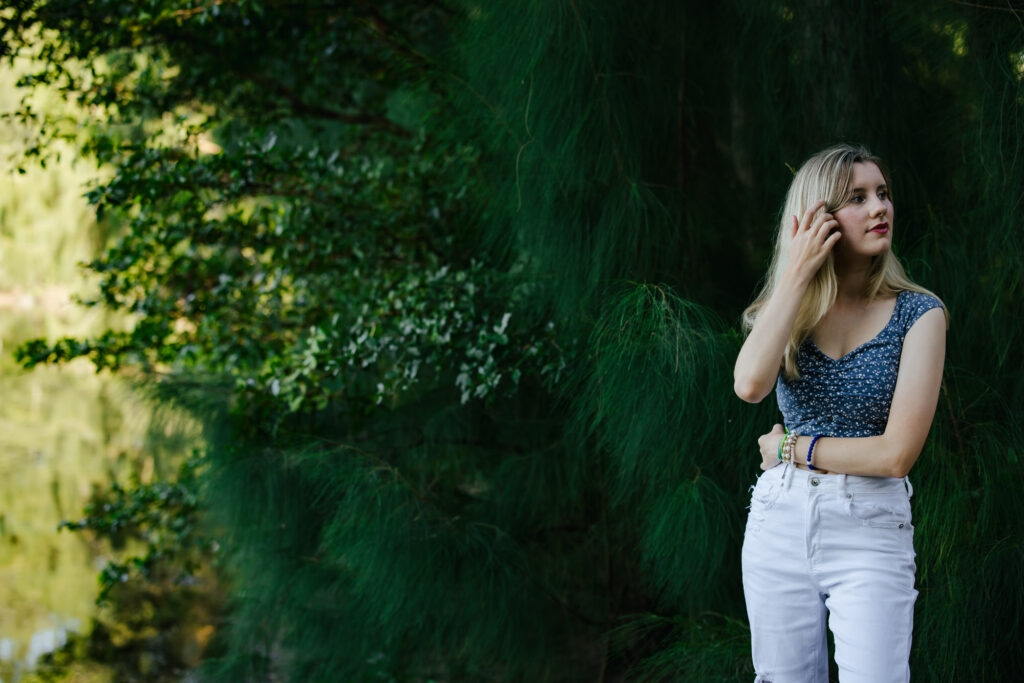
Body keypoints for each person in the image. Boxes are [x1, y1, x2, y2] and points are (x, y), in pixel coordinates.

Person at [732, 144, 947, 683]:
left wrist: (791, 448)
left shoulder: (920, 314)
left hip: (870, 525)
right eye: (857, 197)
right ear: (817, 218)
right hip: (778, 519)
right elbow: (750, 385)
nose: (880, 208)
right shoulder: (785, 312)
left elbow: (896, 454)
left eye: (883, 193)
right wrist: (795, 274)